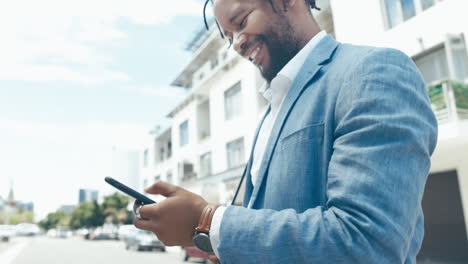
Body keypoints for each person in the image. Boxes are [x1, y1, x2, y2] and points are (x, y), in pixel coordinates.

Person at [133, 0, 438, 263]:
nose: (237, 43)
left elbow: (367, 243)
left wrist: (208, 221)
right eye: (228, 37)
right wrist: (227, 248)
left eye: (241, 21)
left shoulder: (372, 70)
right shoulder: (271, 111)